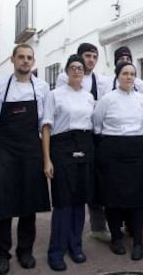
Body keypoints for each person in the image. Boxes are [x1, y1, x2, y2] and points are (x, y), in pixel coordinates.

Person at [0, 44, 50, 275]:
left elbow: (45, 126)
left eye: (29, 58)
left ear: (33, 61)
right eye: (21, 57)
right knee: (2, 204)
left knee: (28, 204)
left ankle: (25, 251)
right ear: (12, 59)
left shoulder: (41, 87)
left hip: (31, 150)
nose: (25, 61)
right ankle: (1, 255)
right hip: (5, 150)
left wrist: (47, 159)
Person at [94, 61, 143, 261]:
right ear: (117, 76)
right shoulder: (107, 99)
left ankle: (137, 242)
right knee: (113, 198)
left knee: (137, 199)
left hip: (137, 149)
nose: (129, 77)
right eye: (125, 73)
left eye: (132, 74)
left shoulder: (142, 99)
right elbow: (97, 124)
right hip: (112, 149)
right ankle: (116, 238)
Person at [42, 54, 95, 271]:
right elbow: (46, 127)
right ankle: (56, 251)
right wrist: (47, 160)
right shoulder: (54, 95)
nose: (76, 71)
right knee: (63, 200)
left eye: (80, 68)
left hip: (85, 144)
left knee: (79, 199)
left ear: (84, 72)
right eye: (72, 67)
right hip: (61, 145)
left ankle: (75, 245)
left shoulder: (89, 96)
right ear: (66, 71)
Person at [57, 43, 111, 242]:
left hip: (95, 135)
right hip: (71, 137)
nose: (91, 60)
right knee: (75, 183)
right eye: (87, 56)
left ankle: (98, 226)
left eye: (94, 57)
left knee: (97, 180)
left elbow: (102, 106)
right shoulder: (65, 78)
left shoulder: (101, 80)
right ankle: (69, 230)